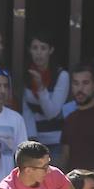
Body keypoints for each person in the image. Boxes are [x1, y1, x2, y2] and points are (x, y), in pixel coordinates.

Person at [22, 31, 70, 164]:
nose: (39, 53)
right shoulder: (27, 75)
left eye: (43, 48)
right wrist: (32, 140)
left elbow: (52, 112)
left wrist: (41, 88)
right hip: (35, 142)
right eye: (35, 48)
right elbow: (27, 111)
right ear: (29, 50)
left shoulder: (62, 76)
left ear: (51, 50)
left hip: (56, 142)